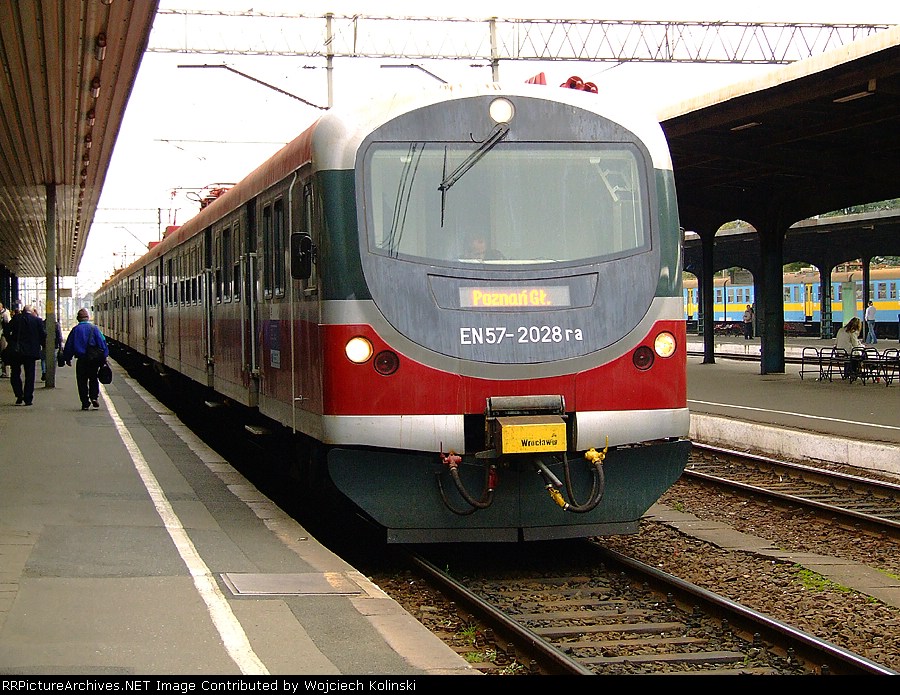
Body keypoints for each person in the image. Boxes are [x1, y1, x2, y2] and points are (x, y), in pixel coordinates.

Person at [62, 308, 109, 410]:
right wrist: (104, 357)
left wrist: (67, 358)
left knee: (81, 381)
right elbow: (102, 343)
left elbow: (69, 345)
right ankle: (94, 397)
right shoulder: (94, 329)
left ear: (78, 318)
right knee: (93, 378)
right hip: (93, 359)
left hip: (81, 359)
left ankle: (85, 402)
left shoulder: (75, 330)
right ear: (88, 318)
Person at [4, 304, 46, 406]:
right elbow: (43, 335)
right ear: (32, 312)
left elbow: (6, 330)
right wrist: (41, 346)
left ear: (23, 311)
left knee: (15, 373)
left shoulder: (16, 319)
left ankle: (19, 395)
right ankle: (28, 398)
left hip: (16, 351)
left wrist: (11, 341)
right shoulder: (37, 321)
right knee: (30, 375)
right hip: (31, 352)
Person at [0, 301, 11, 378]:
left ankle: (6, 372)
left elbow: (8, 324)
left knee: (4, 353)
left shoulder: (5, 314)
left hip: (3, 336)